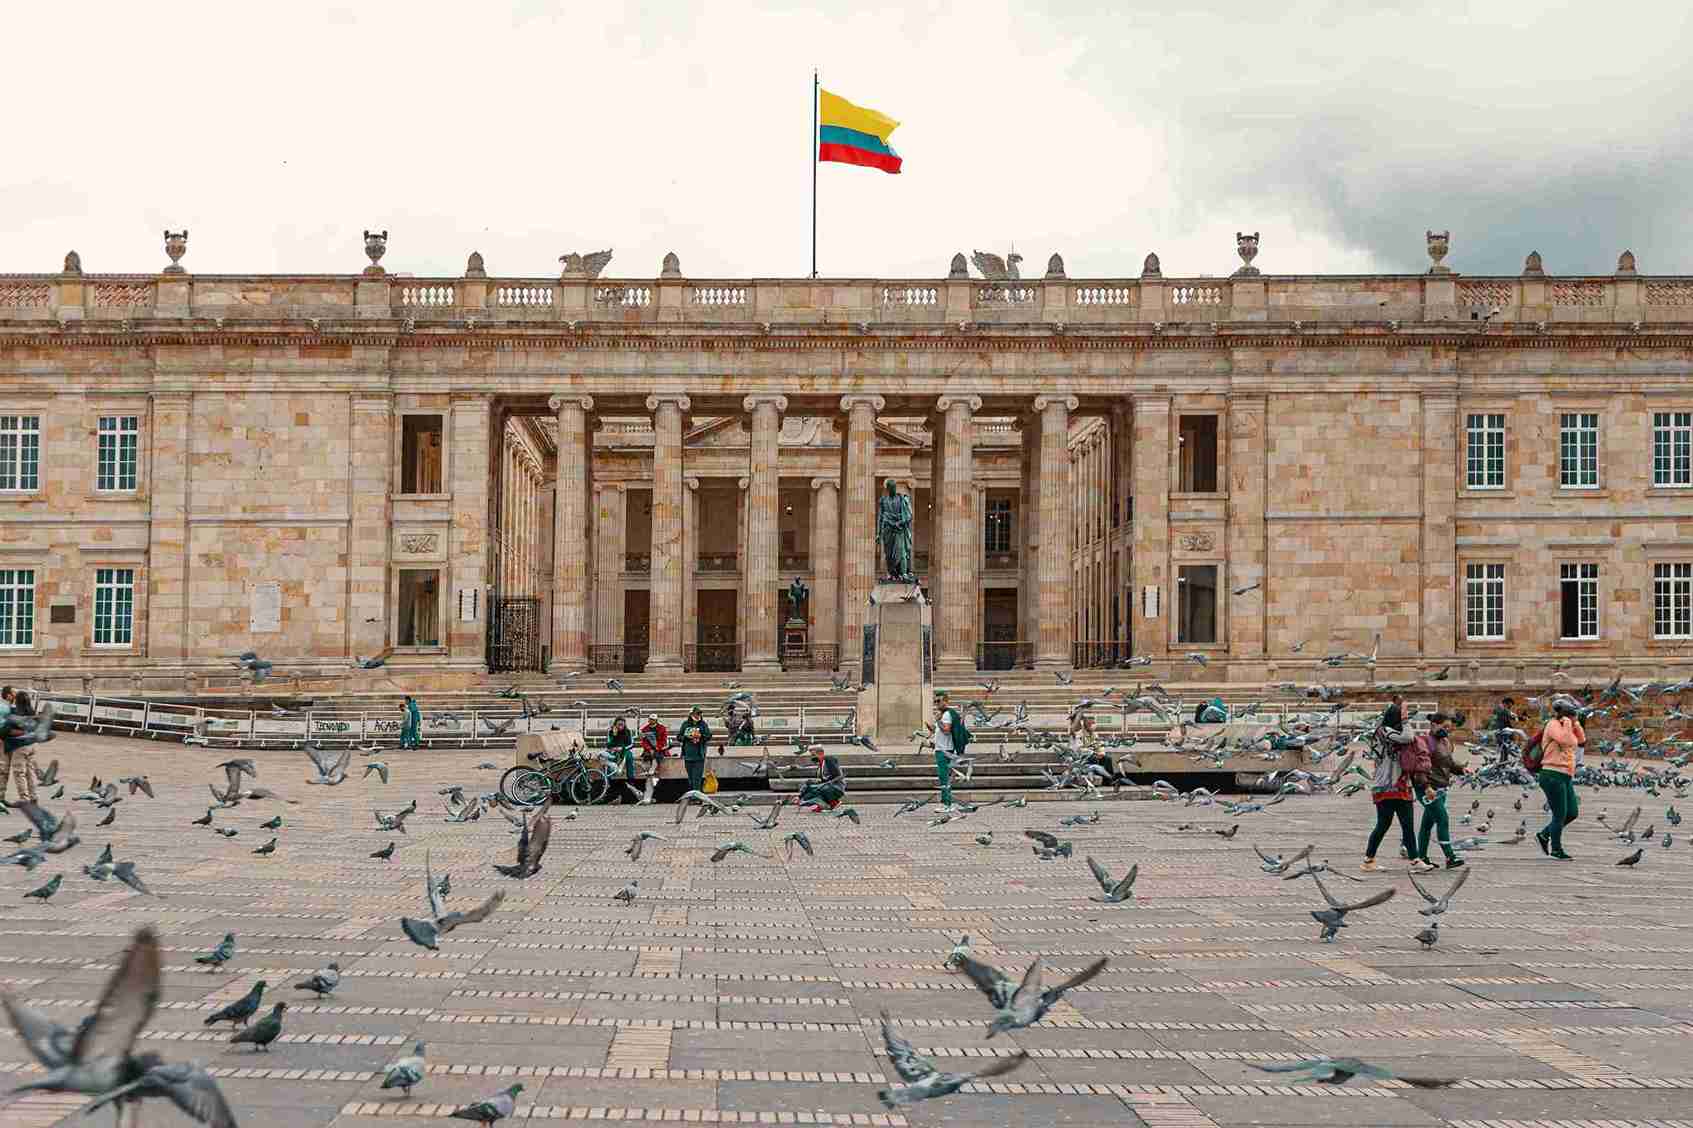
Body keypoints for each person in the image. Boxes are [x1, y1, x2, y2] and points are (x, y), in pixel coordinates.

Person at [1361, 724, 1417, 872]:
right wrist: (1406, 722)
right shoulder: (1385, 731)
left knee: (1404, 825)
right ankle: (1415, 860)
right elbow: (1409, 737)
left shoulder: (1384, 734)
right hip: (1389, 786)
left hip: (1397, 787)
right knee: (1389, 825)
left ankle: (1415, 859)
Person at [1534, 700, 1585, 860]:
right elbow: (1565, 740)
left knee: (1572, 813)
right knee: (1559, 815)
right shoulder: (1553, 725)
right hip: (1552, 774)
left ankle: (1544, 835)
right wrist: (1568, 724)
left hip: (1565, 775)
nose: (1575, 719)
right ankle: (1556, 849)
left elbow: (1581, 740)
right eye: (1573, 716)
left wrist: (1575, 725)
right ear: (1565, 716)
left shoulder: (1568, 726)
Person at [1413, 726, 1467, 871]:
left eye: (1449, 725)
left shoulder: (1445, 742)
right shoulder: (1425, 741)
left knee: (1427, 824)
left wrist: (1461, 769)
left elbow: (1448, 764)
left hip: (1440, 788)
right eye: (1444, 724)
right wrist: (1426, 787)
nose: (1447, 728)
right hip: (1428, 788)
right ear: (1434, 724)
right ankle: (1450, 857)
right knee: (1442, 819)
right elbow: (1420, 766)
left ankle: (1422, 857)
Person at [0, 686, 51, 804]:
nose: (15, 694)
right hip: (30, 745)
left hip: (18, 745)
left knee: (17, 772)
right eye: (14, 692)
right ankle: (33, 797)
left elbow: (6, 729)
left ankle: (23, 799)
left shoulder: (15, 712)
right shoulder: (31, 711)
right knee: (29, 771)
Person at [933, 692, 971, 808]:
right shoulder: (945, 714)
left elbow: (946, 730)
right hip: (943, 749)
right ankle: (946, 803)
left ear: (946, 701)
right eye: (935, 701)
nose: (936, 704)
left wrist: (938, 720)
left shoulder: (947, 714)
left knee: (943, 777)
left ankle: (947, 804)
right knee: (944, 777)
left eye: (938, 701)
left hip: (944, 750)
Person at [677, 705, 712, 793]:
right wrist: (687, 736)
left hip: (699, 755)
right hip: (688, 755)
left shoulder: (703, 724)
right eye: (696, 713)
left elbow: (708, 736)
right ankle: (692, 795)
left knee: (697, 778)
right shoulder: (685, 724)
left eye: (699, 713)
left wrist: (700, 736)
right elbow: (679, 737)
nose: (698, 715)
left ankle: (697, 796)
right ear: (691, 714)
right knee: (691, 778)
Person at [606, 716, 635, 785]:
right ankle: (608, 781)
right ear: (615, 724)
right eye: (619, 724)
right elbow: (608, 744)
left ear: (624, 724)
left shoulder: (628, 731)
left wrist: (622, 748)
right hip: (613, 750)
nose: (620, 726)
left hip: (625, 750)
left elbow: (631, 744)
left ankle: (631, 780)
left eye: (622, 724)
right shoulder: (610, 732)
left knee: (629, 757)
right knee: (608, 759)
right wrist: (614, 735)